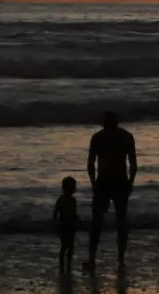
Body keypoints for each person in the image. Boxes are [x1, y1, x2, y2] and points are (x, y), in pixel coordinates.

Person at [86, 111, 136, 263]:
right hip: (119, 181)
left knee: (97, 222)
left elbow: (90, 164)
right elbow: (133, 165)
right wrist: (130, 183)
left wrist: (94, 183)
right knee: (120, 221)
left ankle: (93, 258)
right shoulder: (126, 136)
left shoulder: (98, 137)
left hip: (105, 181)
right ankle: (120, 258)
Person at [53, 175, 81, 269]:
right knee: (65, 247)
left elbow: (74, 214)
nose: (74, 189)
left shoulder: (71, 200)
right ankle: (63, 265)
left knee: (69, 247)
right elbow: (56, 212)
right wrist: (54, 223)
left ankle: (67, 265)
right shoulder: (63, 200)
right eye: (73, 187)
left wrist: (81, 223)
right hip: (65, 226)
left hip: (70, 226)